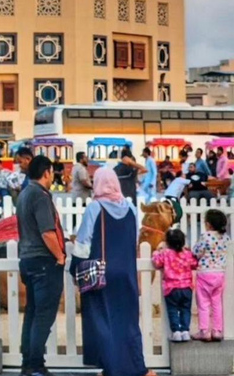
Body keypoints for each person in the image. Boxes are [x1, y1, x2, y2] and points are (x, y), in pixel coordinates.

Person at [71, 167, 155, 376]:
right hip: (126, 274)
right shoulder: (131, 208)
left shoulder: (94, 208)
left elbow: (83, 243)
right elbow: (133, 240)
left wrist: (75, 267)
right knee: (128, 323)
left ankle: (112, 368)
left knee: (104, 322)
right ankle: (135, 367)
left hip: (102, 275)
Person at [17, 155, 66, 376]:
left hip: (27, 259)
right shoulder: (40, 196)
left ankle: (28, 363)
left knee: (32, 313)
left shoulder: (25, 193)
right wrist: (60, 256)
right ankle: (36, 365)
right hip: (44, 261)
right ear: (46, 172)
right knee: (43, 316)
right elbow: (47, 232)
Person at [191, 209, 230, 342]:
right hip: (220, 273)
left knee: (203, 303)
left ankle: (204, 331)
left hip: (205, 273)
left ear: (208, 224)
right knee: (216, 302)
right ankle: (217, 330)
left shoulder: (205, 236)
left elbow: (196, 251)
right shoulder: (226, 237)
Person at [152, 229, 197, 342]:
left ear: (167, 242)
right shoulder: (187, 254)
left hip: (171, 288)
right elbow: (195, 264)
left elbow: (157, 263)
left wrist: (156, 253)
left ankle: (176, 331)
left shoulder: (166, 253)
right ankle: (185, 331)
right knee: (185, 309)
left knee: (173, 310)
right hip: (187, 288)